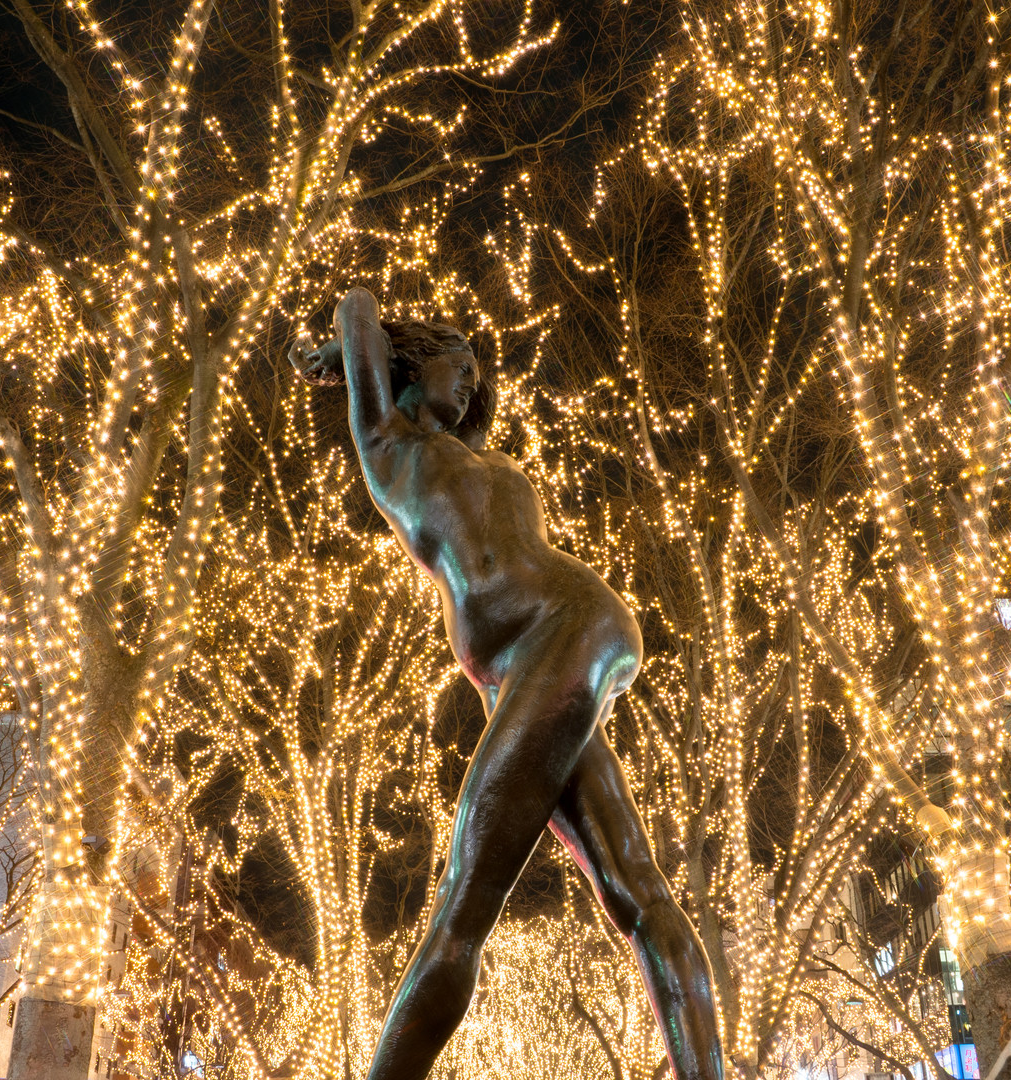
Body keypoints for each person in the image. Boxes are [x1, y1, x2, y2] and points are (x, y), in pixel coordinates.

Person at [291, 288, 724, 1080]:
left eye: (477, 377)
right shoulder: (385, 440)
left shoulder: (478, 457)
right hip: (541, 657)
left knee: (461, 909)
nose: (472, 387)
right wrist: (343, 357)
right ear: (407, 370)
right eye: (459, 371)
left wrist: (400, 362)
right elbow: (356, 305)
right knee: (637, 892)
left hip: (560, 628)